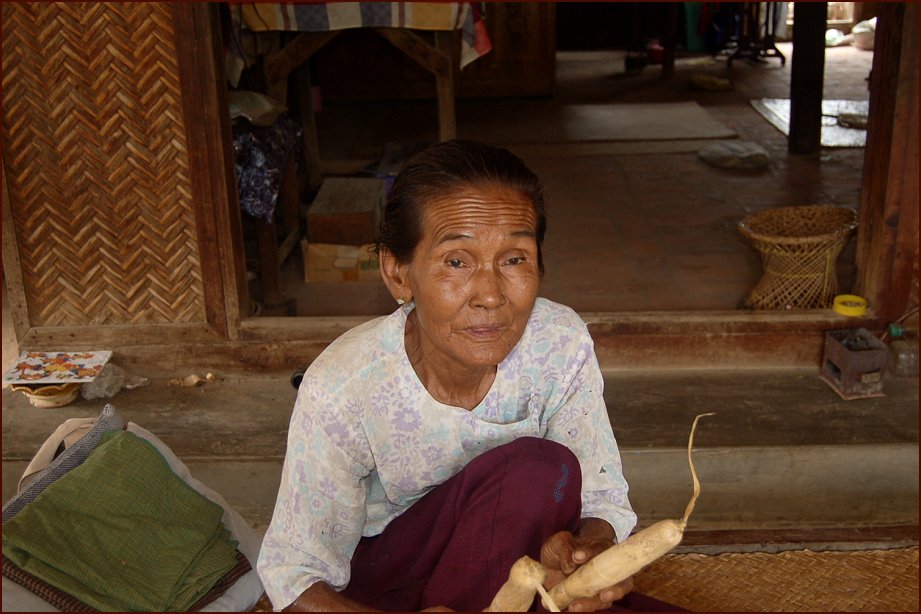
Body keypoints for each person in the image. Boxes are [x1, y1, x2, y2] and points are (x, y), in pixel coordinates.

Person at [257, 140, 661, 612]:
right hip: (394, 590)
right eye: (456, 262)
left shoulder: (558, 342)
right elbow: (294, 576)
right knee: (538, 470)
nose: (490, 294)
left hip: (518, 577)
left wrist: (588, 556)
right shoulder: (345, 386)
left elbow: (600, 496)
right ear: (398, 273)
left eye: (514, 259)